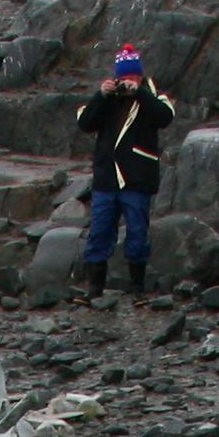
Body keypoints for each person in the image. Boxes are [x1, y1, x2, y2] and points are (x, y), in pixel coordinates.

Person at [73, 44, 175, 301]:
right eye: (124, 77)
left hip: (137, 178)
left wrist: (140, 93)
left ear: (140, 76)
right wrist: (101, 95)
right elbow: (85, 123)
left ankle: (137, 289)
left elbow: (164, 117)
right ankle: (94, 290)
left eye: (133, 77)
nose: (128, 81)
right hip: (106, 178)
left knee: (137, 233)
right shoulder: (109, 99)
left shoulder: (154, 97)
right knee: (99, 232)